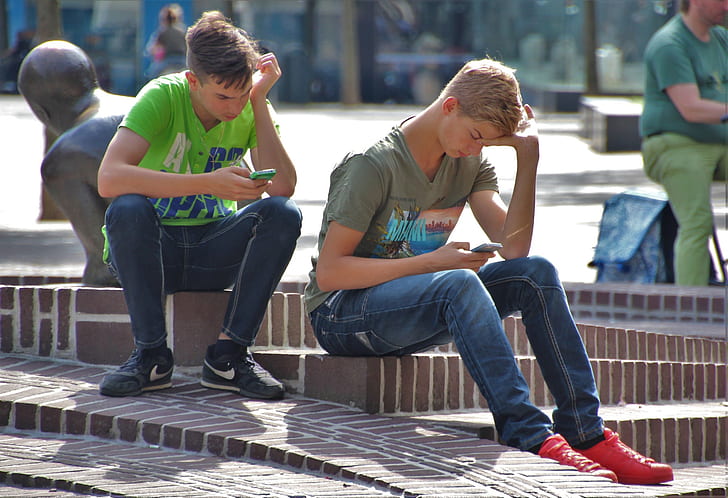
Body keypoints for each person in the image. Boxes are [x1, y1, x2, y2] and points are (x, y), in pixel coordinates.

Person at [304, 58, 674, 485]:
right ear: (450, 106)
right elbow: (331, 274)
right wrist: (431, 263)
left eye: (488, 143)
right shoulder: (372, 166)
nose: (476, 149)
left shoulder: (469, 162)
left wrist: (528, 157)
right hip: (340, 315)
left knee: (534, 274)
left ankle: (584, 431)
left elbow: (514, 249)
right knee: (457, 282)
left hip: (409, 304)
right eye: (476, 135)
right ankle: (529, 433)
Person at [97, 11, 301, 400]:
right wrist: (206, 182)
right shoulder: (163, 96)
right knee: (127, 208)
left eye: (242, 94)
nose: (233, 106)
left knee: (282, 214)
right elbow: (108, 177)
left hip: (212, 249)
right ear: (194, 81)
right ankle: (151, 357)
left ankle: (229, 356)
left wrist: (258, 100)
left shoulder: (250, 105)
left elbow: (284, 187)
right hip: (153, 252)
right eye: (223, 96)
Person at [640, 0, 728, 286]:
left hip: (719, 143)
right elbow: (691, 108)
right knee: (697, 223)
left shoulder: (721, 38)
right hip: (675, 144)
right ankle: (692, 306)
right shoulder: (670, 43)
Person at [145, 3, 188, 79]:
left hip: (167, 60)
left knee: (150, 75)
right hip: (183, 60)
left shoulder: (162, 32)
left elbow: (153, 48)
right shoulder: (183, 31)